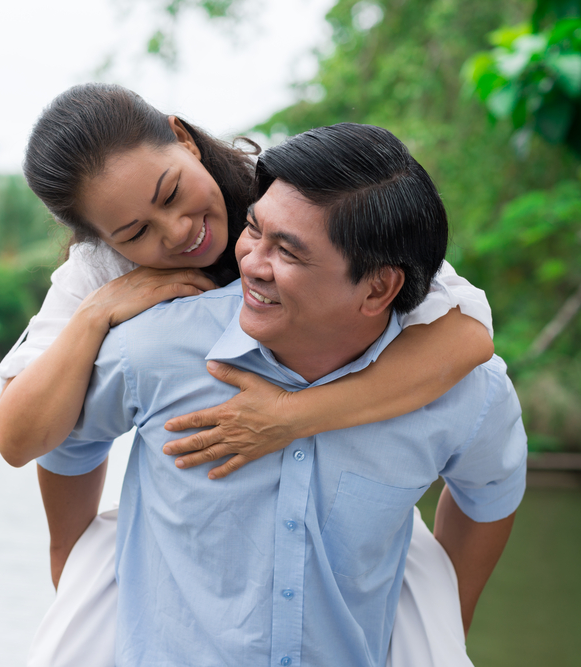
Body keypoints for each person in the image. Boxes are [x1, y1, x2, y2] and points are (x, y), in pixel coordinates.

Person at [32, 122, 526, 666]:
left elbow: (490, 492)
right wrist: (72, 568)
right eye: (253, 229)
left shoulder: (460, 389)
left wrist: (444, 625)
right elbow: (61, 441)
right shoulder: (149, 347)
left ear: (380, 287)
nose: (250, 263)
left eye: (288, 253)